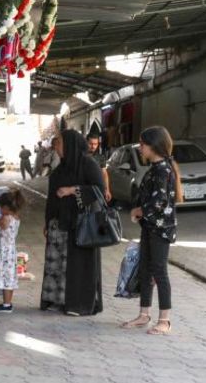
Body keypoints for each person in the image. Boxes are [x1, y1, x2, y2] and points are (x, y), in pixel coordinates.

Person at [121, 125, 183, 336]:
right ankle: (144, 314)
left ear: (153, 146)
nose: (140, 148)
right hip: (150, 227)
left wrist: (139, 210)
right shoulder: (155, 169)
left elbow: (159, 201)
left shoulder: (163, 170)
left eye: (143, 144)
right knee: (146, 270)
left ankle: (164, 320)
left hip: (160, 230)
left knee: (159, 272)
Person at [40, 129, 107, 316]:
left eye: (59, 142)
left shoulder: (88, 164)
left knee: (77, 266)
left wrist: (72, 190)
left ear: (70, 144)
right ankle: (58, 300)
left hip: (81, 225)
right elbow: (51, 198)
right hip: (59, 224)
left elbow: (99, 190)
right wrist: (48, 221)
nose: (56, 146)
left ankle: (78, 303)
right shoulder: (61, 167)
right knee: (58, 264)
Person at [0, 188, 26, 312]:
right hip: (10, 251)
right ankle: (6, 303)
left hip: (5, 253)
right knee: (9, 278)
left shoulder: (6, 218)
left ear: (6, 207)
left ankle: (7, 305)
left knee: (6, 279)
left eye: (0, 207)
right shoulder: (15, 217)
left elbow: (0, 224)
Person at [87, 127, 112, 204]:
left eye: (95, 144)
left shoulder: (100, 157)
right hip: (82, 190)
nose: (93, 146)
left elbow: (104, 174)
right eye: (91, 143)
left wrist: (107, 190)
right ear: (86, 142)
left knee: (97, 213)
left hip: (97, 191)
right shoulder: (80, 155)